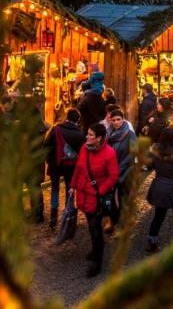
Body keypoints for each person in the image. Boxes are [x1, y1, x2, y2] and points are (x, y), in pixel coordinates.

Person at [70, 123, 119, 277]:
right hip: (83, 194)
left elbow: (113, 176)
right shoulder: (84, 148)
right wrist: (72, 186)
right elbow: (78, 168)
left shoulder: (109, 153)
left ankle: (97, 261)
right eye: (88, 133)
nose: (87, 136)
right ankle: (95, 250)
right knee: (92, 226)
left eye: (91, 134)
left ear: (99, 138)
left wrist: (100, 191)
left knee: (95, 228)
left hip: (96, 197)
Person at [145, 127, 173, 253]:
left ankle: (151, 244)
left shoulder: (154, 150)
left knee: (158, 216)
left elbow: (149, 166)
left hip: (160, 185)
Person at [43, 108, 85, 228]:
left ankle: (53, 217)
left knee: (55, 189)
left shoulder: (56, 129)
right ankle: (68, 215)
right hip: (71, 166)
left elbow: (46, 146)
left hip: (55, 164)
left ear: (67, 117)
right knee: (69, 189)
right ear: (77, 120)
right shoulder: (79, 134)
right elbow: (82, 153)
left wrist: (49, 160)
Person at [106, 109, 137, 227]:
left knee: (123, 196)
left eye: (118, 119)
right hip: (110, 170)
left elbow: (133, 152)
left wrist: (120, 167)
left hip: (125, 169)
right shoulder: (108, 133)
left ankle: (124, 222)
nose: (116, 122)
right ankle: (113, 219)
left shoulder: (129, 133)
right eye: (113, 120)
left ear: (123, 119)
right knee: (109, 196)